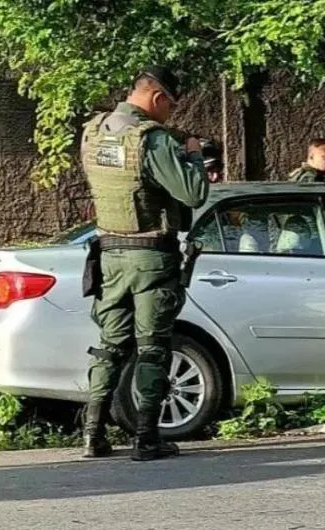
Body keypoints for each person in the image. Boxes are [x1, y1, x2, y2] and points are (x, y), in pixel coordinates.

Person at [78, 65, 209, 461]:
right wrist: (194, 158)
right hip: (150, 257)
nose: (171, 114)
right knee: (153, 347)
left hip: (108, 256)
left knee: (110, 346)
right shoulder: (150, 141)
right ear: (157, 98)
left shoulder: (94, 132)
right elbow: (193, 194)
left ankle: (92, 435)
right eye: (171, 105)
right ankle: (147, 438)